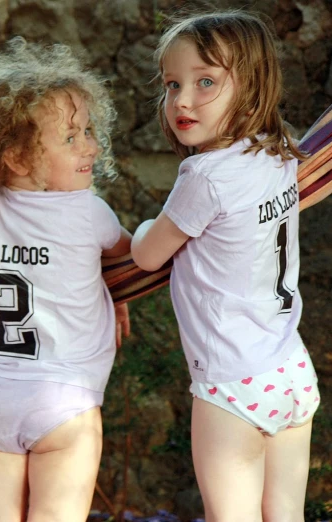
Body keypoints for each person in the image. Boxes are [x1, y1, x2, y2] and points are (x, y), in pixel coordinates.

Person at [131, 12, 319, 521]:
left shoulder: (206, 176)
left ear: (251, 86)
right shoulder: (281, 152)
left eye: (205, 81)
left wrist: (146, 226)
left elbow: (148, 254)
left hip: (232, 383)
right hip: (290, 370)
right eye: (173, 84)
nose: (182, 100)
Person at [0, 38, 132, 522]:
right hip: (65, 406)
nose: (90, 145)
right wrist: (120, 298)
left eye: (89, 130)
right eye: (71, 138)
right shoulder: (88, 212)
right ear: (19, 159)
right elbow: (135, 263)